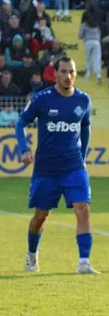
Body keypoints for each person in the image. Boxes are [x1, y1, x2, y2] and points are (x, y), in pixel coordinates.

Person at [14, 56, 98, 274]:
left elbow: (86, 127)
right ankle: (32, 254)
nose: (68, 76)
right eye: (63, 71)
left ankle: (84, 262)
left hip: (73, 166)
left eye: (71, 72)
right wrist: (24, 148)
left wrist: (82, 156)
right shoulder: (42, 99)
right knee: (41, 216)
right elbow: (21, 122)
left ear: (75, 74)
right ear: (55, 73)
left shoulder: (83, 100)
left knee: (83, 209)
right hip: (46, 169)